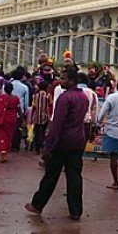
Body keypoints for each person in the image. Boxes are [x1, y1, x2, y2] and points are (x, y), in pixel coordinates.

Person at [26, 67, 87, 221]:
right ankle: (76, 211)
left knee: (51, 175)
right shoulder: (83, 97)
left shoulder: (65, 98)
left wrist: (49, 146)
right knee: (74, 177)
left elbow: (57, 124)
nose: (60, 80)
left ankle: (37, 204)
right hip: (78, 141)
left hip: (63, 142)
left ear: (71, 81)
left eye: (64, 77)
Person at [10, 67, 31, 152]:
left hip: (8, 110)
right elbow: (26, 102)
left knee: (9, 127)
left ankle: (8, 143)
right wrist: (25, 111)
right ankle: (16, 145)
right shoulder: (24, 87)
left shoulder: (6, 85)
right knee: (18, 129)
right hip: (20, 110)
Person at [28, 80, 52, 153]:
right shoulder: (48, 96)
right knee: (44, 131)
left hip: (37, 116)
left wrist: (32, 116)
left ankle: (36, 147)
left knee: (37, 131)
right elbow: (50, 104)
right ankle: (42, 146)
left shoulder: (35, 96)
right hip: (45, 116)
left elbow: (34, 107)